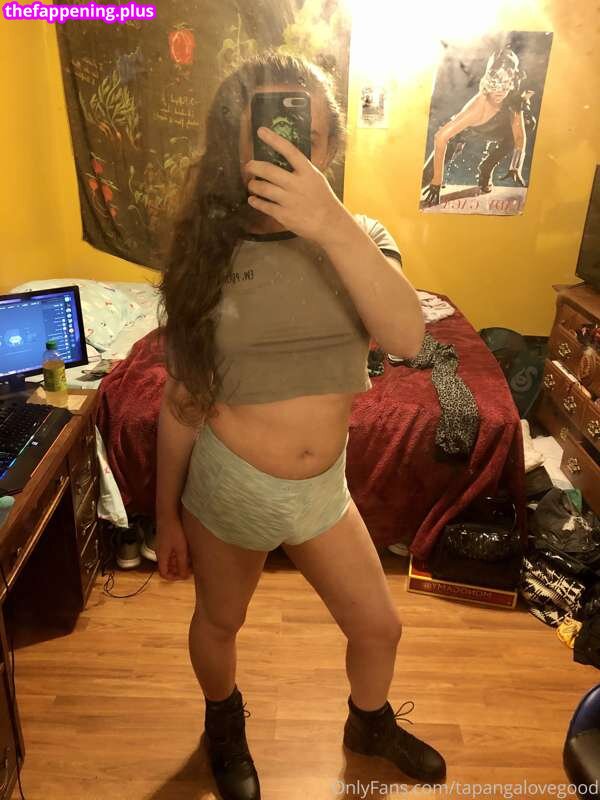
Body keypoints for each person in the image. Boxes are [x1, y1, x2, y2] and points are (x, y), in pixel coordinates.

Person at [156, 51, 445, 800]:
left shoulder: (360, 236)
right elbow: (183, 398)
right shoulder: (205, 253)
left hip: (323, 492)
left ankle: (369, 724)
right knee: (219, 624)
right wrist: (166, 517)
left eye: (303, 137)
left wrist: (331, 224)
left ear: (328, 148)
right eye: (266, 133)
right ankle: (224, 724)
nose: (285, 150)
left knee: (379, 628)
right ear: (235, 145)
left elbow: (408, 336)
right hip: (230, 489)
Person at [421, 45, 535, 206]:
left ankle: (486, 168)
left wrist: (515, 166)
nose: (499, 93)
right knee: (425, 178)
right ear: (487, 84)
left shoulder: (513, 99)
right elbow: (440, 137)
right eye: (495, 87)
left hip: (494, 128)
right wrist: (436, 181)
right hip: (465, 131)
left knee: (529, 122)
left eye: (504, 88)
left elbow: (519, 136)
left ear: (511, 83)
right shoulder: (476, 109)